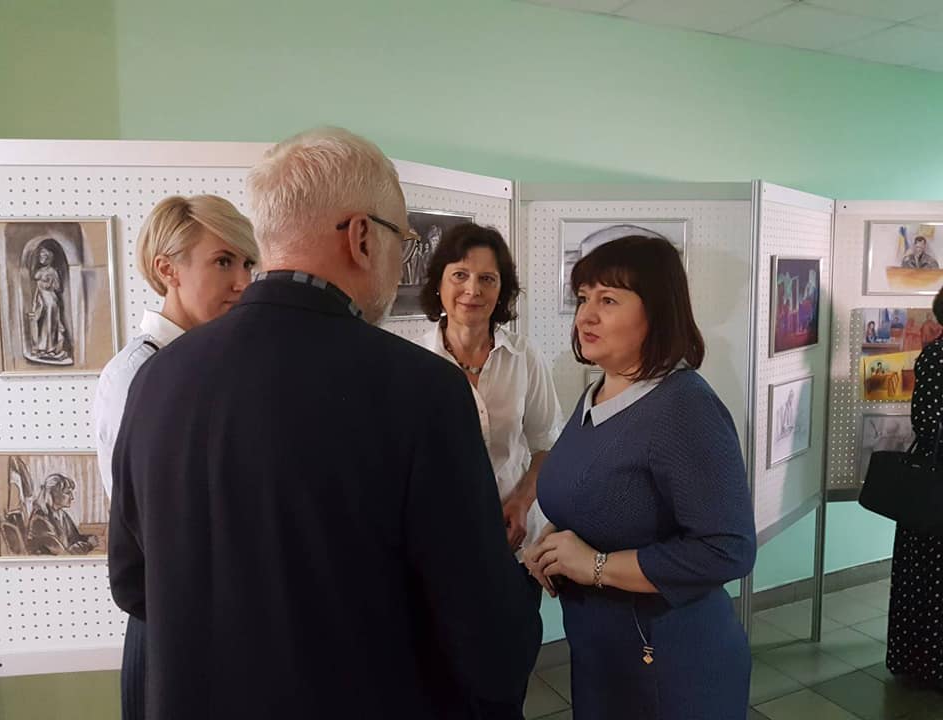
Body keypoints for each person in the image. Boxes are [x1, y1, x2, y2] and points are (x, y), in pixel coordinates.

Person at [107, 128, 540, 719]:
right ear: (362, 237)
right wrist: (529, 587)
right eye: (403, 240)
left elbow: (132, 582)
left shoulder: (156, 378)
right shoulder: (423, 390)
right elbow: (489, 644)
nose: (401, 260)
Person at [526, 235, 756, 720]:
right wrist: (553, 542)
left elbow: (728, 548)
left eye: (608, 300)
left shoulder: (684, 407)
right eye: (583, 298)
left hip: (670, 662)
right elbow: (603, 494)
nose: (586, 316)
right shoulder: (598, 393)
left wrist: (594, 565)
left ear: (658, 311)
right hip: (602, 654)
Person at [94, 194, 258, 720]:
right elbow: (143, 521)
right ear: (168, 270)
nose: (243, 281)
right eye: (223, 261)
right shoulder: (135, 373)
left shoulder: (226, 368)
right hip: (172, 621)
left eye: (248, 263)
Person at [414, 223, 561, 719]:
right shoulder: (413, 362)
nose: (472, 290)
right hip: (440, 552)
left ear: (502, 290)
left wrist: (521, 500)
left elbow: (547, 443)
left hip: (513, 545)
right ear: (439, 282)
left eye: (487, 279)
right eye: (460, 275)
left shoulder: (524, 357)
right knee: (444, 681)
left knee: (506, 674)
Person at [886, 286, 943, 690]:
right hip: (934, 486)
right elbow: (929, 424)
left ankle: (922, 662)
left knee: (925, 580)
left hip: (931, 486)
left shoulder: (935, 356)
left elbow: (925, 422)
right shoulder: (937, 356)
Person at [26, 473, 98, 555]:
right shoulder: (39, 520)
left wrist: (88, 538)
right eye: (67, 493)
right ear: (54, 494)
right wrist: (89, 545)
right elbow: (65, 555)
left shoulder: (62, 515)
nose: (72, 497)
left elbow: (74, 538)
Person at [28, 244, 70, 362]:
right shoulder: (39, 271)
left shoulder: (52, 271)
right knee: (41, 324)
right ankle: (41, 348)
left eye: (44, 256)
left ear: (49, 258)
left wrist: (49, 283)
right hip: (41, 301)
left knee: (51, 324)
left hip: (50, 301)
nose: (42, 258)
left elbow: (58, 288)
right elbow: (37, 284)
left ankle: (51, 348)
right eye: (40, 256)